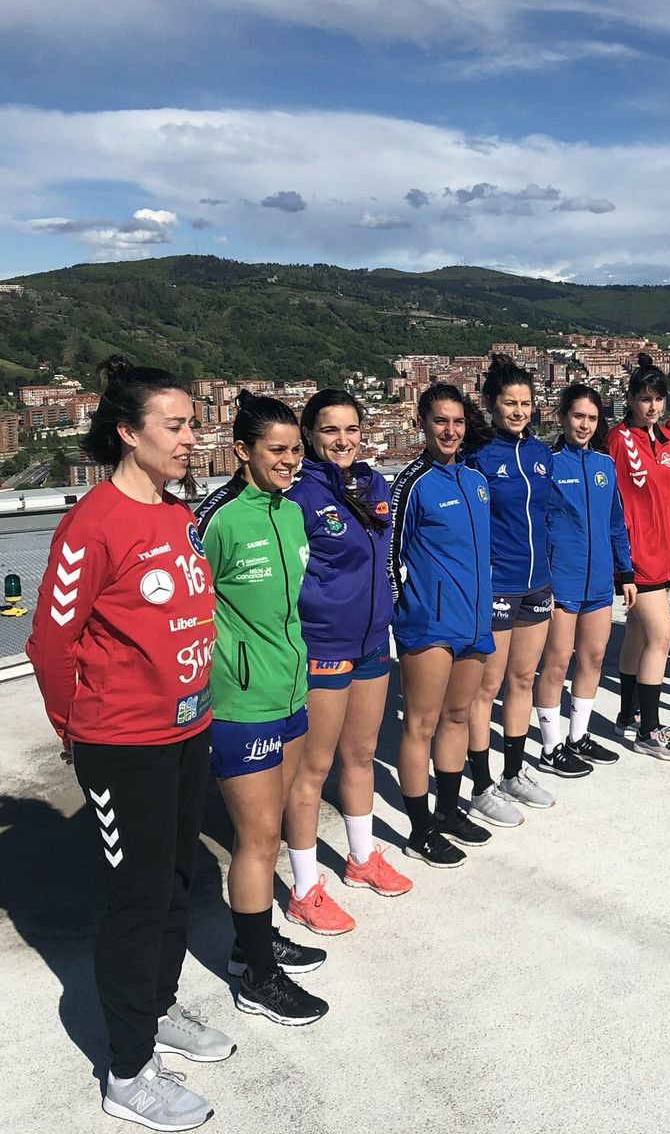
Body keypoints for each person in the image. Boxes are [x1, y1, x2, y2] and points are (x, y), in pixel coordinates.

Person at [27, 356, 229, 1131]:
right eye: (175, 426)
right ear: (127, 433)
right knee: (135, 899)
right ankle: (127, 1068)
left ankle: (159, 1008)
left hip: (188, 729)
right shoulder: (93, 523)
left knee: (177, 882)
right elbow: (51, 643)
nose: (190, 437)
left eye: (191, 423)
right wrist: (73, 730)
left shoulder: (177, 515)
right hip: (123, 740)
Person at [194, 392, 329, 1026]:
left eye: (296, 449)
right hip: (240, 702)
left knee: (272, 831)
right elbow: (186, 611)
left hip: (291, 690)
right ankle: (253, 973)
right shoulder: (217, 518)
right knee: (256, 840)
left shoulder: (293, 513)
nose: (290, 461)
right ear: (242, 451)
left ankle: (258, 937)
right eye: (276, 450)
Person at [283, 388, 412, 932]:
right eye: (331, 430)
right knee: (312, 768)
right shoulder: (298, 495)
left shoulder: (373, 483)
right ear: (310, 434)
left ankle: (361, 860)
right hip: (324, 646)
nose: (343, 440)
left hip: (371, 642)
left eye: (351, 429)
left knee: (359, 755)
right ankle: (306, 887)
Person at [388, 384, 495, 866]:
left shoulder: (475, 479)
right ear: (422, 423)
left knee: (458, 717)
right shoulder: (411, 482)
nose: (450, 430)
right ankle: (420, 827)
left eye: (457, 421)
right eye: (440, 421)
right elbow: (390, 556)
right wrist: (403, 607)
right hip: (429, 622)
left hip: (474, 619)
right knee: (422, 724)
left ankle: (448, 811)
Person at [464, 354, 559, 818]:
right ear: (490, 405)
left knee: (523, 679)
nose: (519, 411)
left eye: (525, 403)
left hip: (538, 584)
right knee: (489, 686)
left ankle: (513, 772)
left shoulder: (542, 455)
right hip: (498, 584)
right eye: (509, 403)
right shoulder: (479, 460)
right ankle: (481, 784)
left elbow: (550, 517)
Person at [535, 384, 637, 774]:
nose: (585, 424)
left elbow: (616, 522)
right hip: (561, 581)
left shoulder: (604, 465)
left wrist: (624, 570)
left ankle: (578, 735)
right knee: (557, 662)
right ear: (562, 417)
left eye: (592, 418)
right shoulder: (549, 464)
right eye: (578, 416)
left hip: (597, 582)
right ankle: (550, 747)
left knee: (593, 658)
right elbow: (541, 525)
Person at [609, 355, 670, 761]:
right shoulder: (620, 440)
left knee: (639, 635)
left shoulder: (669, 441)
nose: (652, 406)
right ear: (630, 399)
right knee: (662, 636)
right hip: (638, 558)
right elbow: (616, 503)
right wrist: (622, 561)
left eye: (658, 398)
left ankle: (627, 711)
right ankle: (649, 729)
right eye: (644, 399)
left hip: (666, 555)